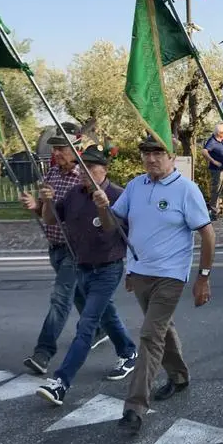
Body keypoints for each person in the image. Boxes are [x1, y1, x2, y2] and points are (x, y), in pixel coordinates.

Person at [105, 135, 216, 435]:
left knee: (150, 336)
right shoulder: (135, 186)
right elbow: (113, 225)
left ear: (172, 157)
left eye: (158, 153)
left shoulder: (186, 190)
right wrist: (102, 206)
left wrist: (203, 277)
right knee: (162, 329)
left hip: (171, 276)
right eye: (146, 153)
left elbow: (208, 234)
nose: (151, 159)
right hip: (140, 273)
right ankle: (179, 376)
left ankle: (135, 407)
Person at [35, 145, 138, 406]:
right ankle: (128, 351)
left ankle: (61, 382)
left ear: (104, 170)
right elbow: (51, 220)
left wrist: (103, 206)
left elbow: (110, 229)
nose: (86, 173)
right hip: (81, 265)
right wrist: (46, 200)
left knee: (86, 324)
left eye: (92, 169)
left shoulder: (117, 195)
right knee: (106, 313)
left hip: (108, 268)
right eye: (83, 168)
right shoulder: (73, 194)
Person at [20, 131, 104, 375]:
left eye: (61, 149)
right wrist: (37, 205)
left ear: (76, 150)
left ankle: (43, 353)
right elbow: (47, 213)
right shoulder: (52, 173)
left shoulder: (84, 178)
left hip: (74, 249)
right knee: (80, 293)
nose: (55, 154)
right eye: (54, 149)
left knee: (60, 299)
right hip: (55, 248)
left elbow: (90, 216)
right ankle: (100, 329)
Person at [202, 124, 223, 218]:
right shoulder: (212, 141)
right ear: (219, 133)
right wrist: (214, 161)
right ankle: (214, 211)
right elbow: (204, 151)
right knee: (216, 190)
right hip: (217, 170)